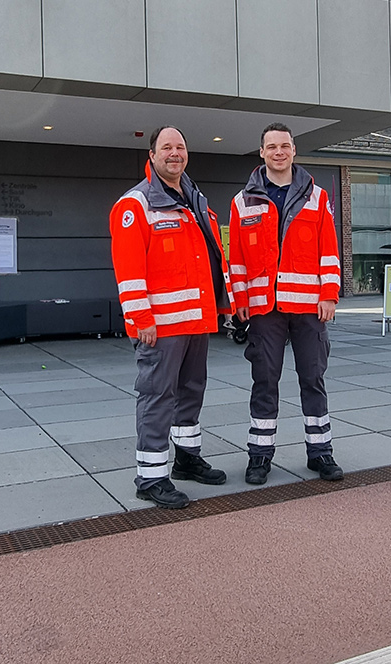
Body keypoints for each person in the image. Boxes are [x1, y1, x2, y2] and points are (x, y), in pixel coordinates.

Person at [110, 125, 234, 509]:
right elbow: (129, 272)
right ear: (152, 155)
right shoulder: (136, 206)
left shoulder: (195, 201)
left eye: (180, 147)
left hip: (196, 321)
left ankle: (186, 459)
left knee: (191, 392)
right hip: (160, 327)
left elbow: (211, 259)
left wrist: (223, 306)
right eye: (167, 147)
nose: (174, 153)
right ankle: (150, 476)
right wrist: (140, 319)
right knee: (157, 397)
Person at [228, 123, 343, 485]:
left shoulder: (318, 197)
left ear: (294, 151)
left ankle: (320, 452)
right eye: (271, 147)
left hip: (309, 306)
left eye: (285, 146)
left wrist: (329, 294)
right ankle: (260, 457)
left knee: (313, 379)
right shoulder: (241, 201)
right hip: (264, 308)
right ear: (261, 153)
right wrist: (240, 301)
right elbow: (238, 260)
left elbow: (329, 250)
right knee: (264, 380)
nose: (279, 152)